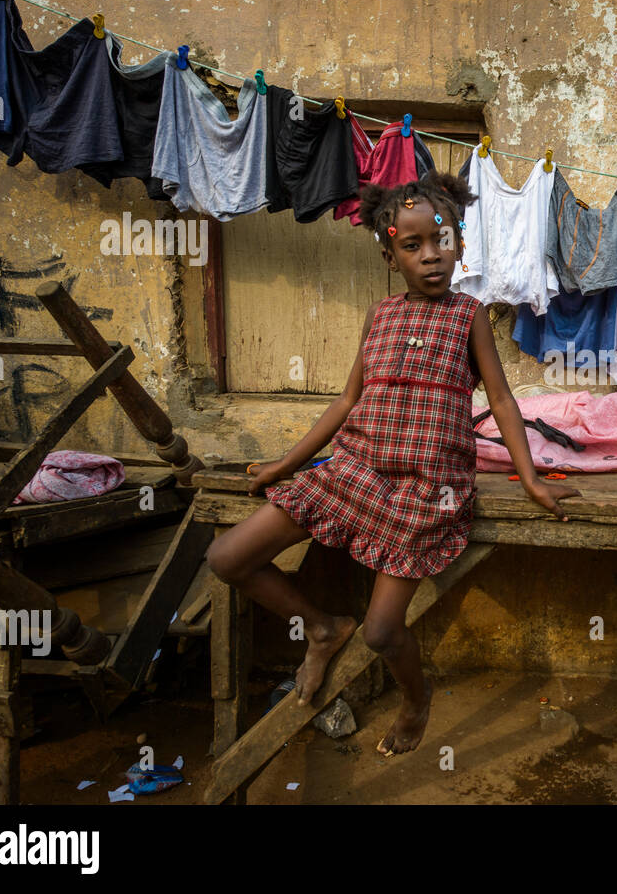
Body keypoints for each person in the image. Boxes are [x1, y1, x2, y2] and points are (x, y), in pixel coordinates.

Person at [207, 170, 580, 757]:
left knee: (382, 632)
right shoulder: (380, 317)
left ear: (459, 242)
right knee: (226, 556)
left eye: (443, 239)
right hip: (355, 470)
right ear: (389, 254)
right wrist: (285, 463)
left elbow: (503, 401)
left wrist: (530, 478)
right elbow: (347, 401)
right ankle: (324, 628)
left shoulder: (469, 315)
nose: (432, 256)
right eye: (413, 246)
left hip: (425, 488)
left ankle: (416, 700)